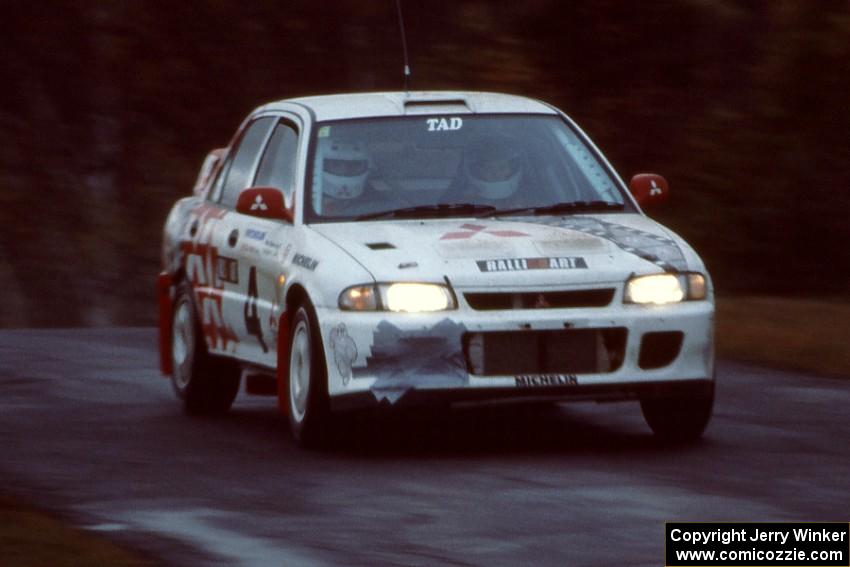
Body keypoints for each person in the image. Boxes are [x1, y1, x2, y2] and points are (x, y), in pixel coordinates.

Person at [453, 134, 526, 206]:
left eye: (502, 168)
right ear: (478, 171)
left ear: (511, 169)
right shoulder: (464, 204)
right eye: (489, 168)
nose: (496, 173)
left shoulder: (525, 203)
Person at [314, 139, 373, 215]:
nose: (346, 170)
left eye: (355, 165)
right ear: (318, 165)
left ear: (369, 166)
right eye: (336, 165)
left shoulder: (376, 198)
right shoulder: (306, 197)